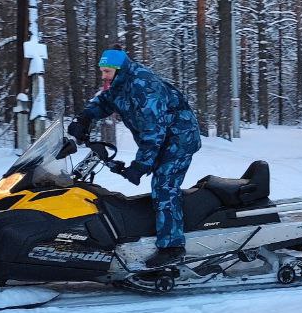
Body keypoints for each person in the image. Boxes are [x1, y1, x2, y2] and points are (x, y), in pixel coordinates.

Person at [67, 49, 202, 268]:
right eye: (102, 71)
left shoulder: (144, 87)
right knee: (158, 186)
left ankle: (173, 247)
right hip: (162, 138)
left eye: (107, 71)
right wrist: (84, 117)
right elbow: (105, 102)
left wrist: (140, 166)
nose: (104, 76)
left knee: (164, 186)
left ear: (120, 69)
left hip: (180, 138)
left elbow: (153, 132)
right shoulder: (121, 83)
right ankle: (158, 229)